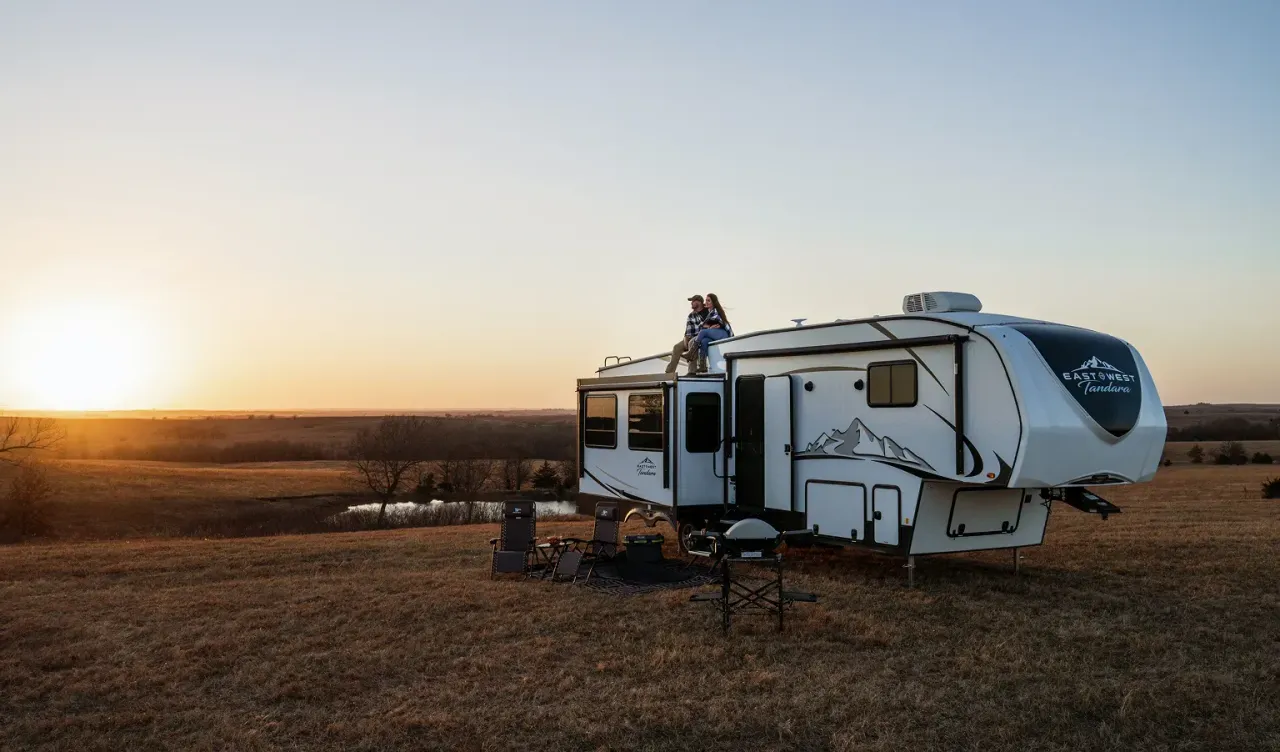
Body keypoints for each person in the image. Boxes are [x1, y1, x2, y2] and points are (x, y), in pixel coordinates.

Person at [665, 294, 711, 374]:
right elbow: (687, 331)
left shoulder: (707, 312)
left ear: (699, 302)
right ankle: (669, 372)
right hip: (691, 337)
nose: (691, 303)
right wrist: (685, 339)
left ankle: (691, 372)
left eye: (693, 301)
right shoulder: (691, 315)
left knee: (691, 343)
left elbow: (709, 326)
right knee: (677, 347)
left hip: (701, 337)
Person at [693, 293, 733, 372]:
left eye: (708, 301)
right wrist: (710, 327)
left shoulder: (716, 311)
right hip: (715, 334)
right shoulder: (709, 312)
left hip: (723, 334)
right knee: (704, 341)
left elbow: (720, 322)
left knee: (702, 333)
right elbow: (705, 324)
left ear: (713, 303)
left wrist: (715, 326)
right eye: (706, 300)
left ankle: (692, 353)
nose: (706, 302)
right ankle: (703, 366)